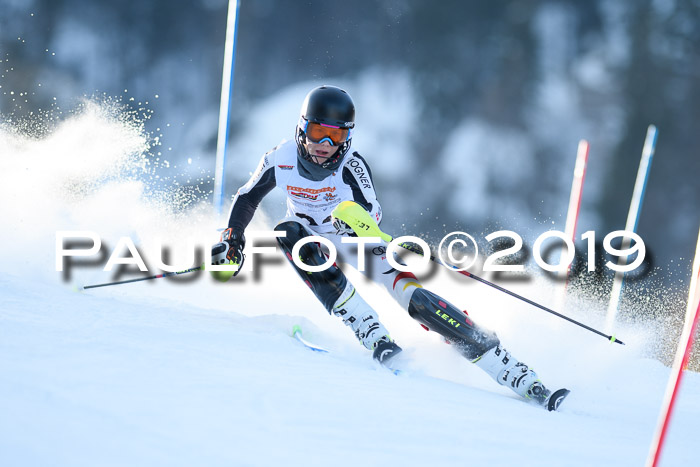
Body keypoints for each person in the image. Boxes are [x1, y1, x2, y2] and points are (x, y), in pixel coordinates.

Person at [212, 85, 567, 410]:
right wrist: (233, 238)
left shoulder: (351, 166)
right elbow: (247, 198)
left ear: (346, 137)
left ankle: (508, 367)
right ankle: (369, 329)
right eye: (318, 131)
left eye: (335, 134)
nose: (324, 143)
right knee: (288, 232)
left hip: (355, 238)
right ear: (303, 128)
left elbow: (373, 210)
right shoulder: (280, 159)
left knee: (419, 302)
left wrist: (352, 219)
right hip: (309, 235)